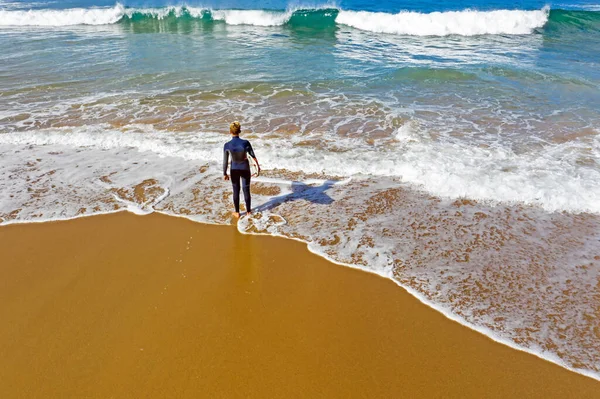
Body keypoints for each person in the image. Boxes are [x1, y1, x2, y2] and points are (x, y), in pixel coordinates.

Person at [223, 121, 260, 218]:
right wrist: (258, 167)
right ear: (239, 131)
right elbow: (253, 156)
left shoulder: (227, 145)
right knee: (246, 189)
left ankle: (237, 212)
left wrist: (224, 173)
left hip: (234, 169)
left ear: (230, 131)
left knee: (236, 190)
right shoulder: (245, 143)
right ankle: (248, 211)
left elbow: (225, 161)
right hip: (245, 168)